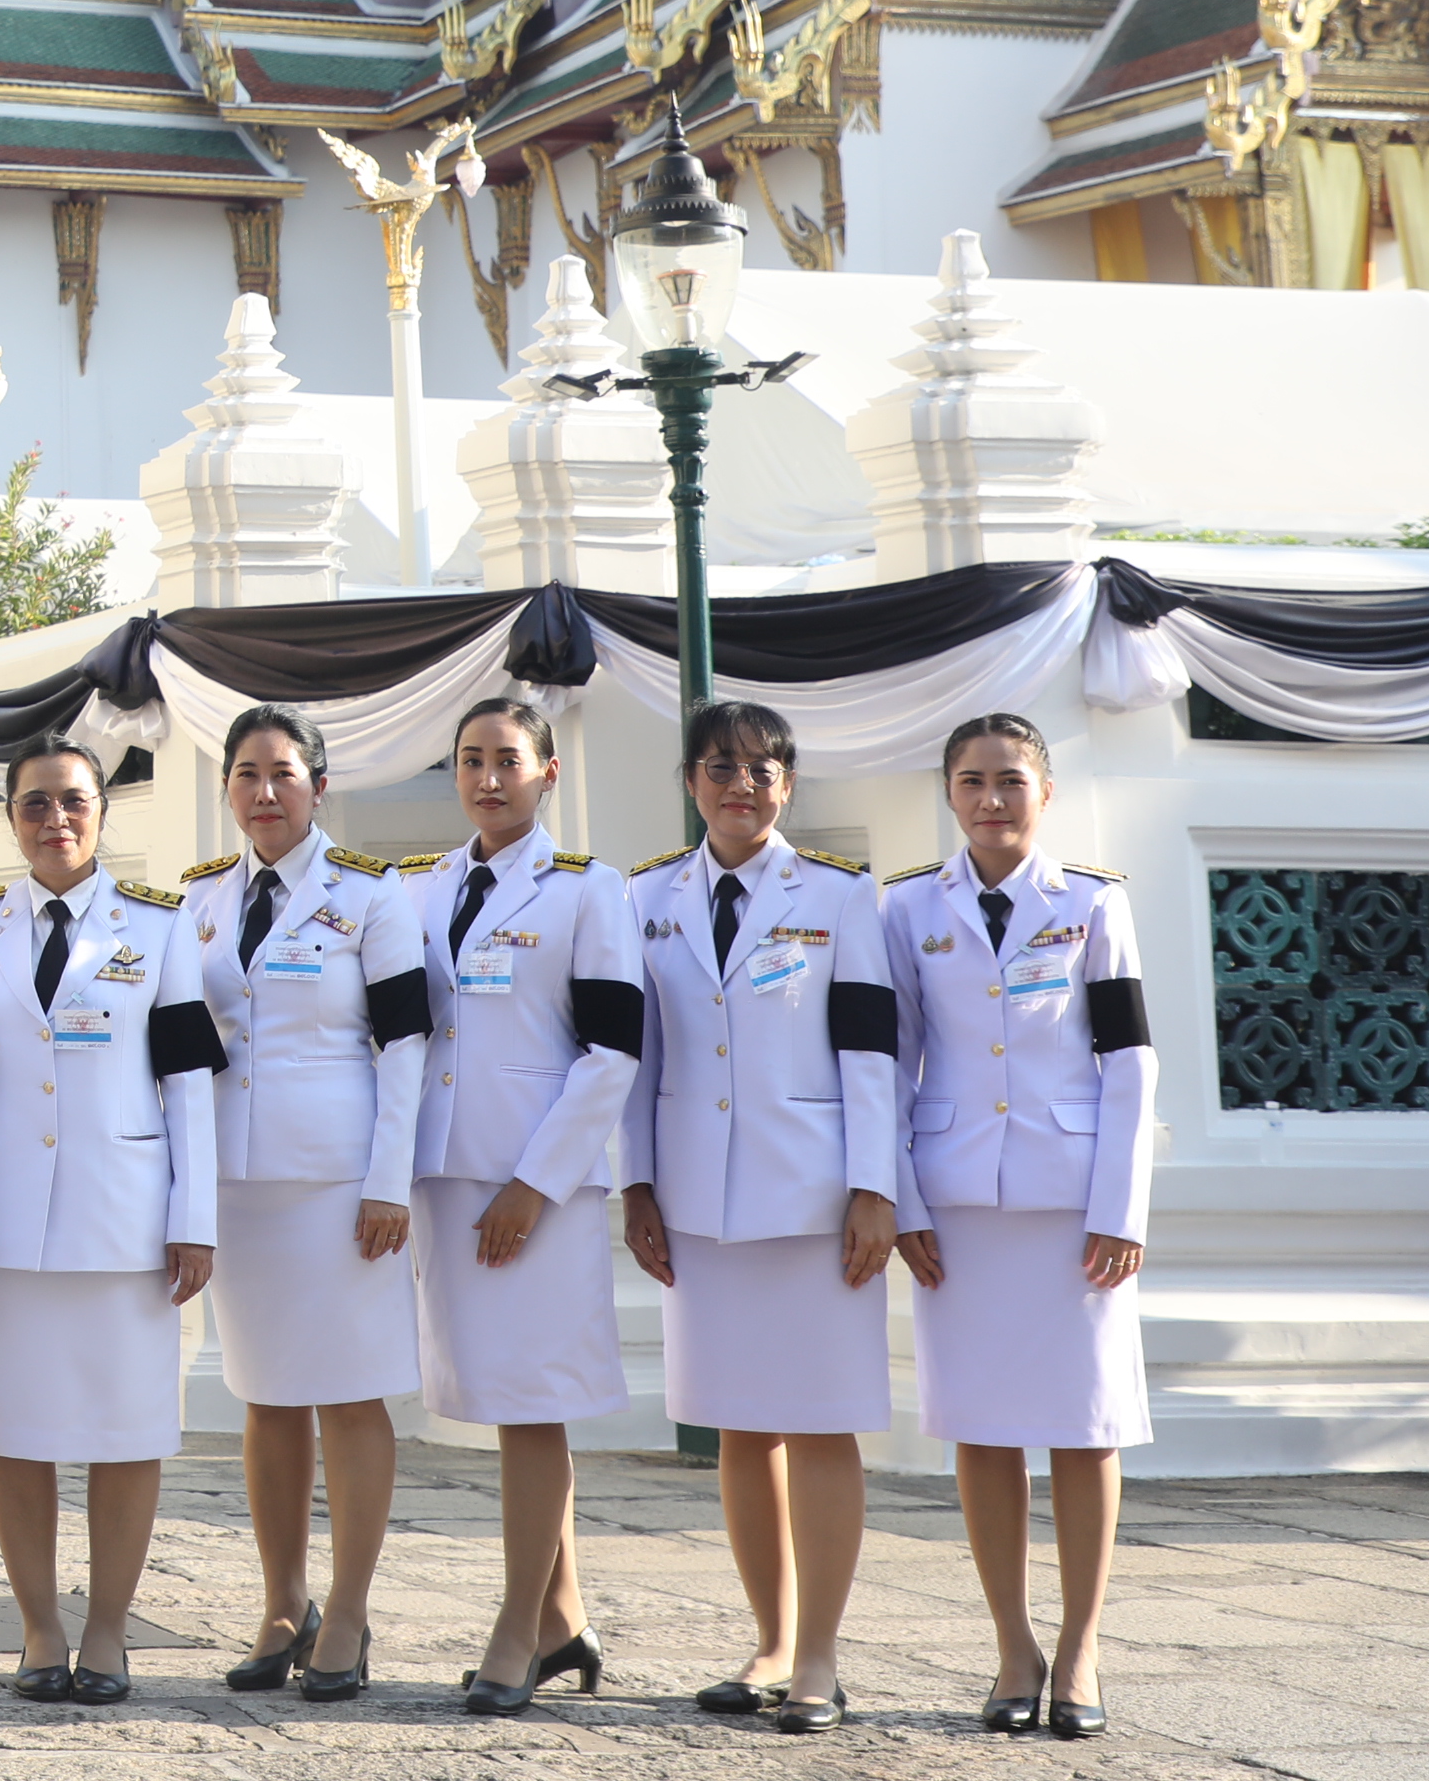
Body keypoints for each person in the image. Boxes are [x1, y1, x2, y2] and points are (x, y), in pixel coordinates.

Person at [619, 700, 899, 1737]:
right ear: (692, 781)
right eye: (720, 767)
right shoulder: (645, 896)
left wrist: (876, 1186)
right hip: (698, 1200)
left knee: (820, 1425)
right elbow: (639, 1059)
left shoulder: (838, 894)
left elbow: (871, 1047)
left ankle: (820, 1655)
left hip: (813, 1197)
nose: (741, 785)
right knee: (739, 1426)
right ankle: (770, 1639)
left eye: (762, 768)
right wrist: (635, 1183)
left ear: (788, 783)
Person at [882, 712, 1152, 1741]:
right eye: (971, 781)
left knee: (1086, 1429)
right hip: (956, 1207)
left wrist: (1121, 1206)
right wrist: (903, 1201)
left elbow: (1129, 1058)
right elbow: (889, 1067)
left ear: (1045, 791)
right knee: (984, 1432)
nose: (991, 799)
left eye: (1010, 780)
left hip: (1074, 1204)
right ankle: (1012, 1644)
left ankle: (1080, 1644)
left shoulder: (1092, 902)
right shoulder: (907, 908)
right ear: (948, 793)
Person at [0, 739, 212, 1707]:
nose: (55, 820)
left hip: (123, 1216)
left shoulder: (160, 927)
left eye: (73, 802)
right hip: (2, 1217)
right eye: (34, 805)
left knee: (126, 1428)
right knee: (13, 1429)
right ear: (9, 817)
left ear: (102, 812)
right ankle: (39, 1629)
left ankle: (106, 1632)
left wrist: (197, 1215)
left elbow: (187, 1080)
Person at [176, 705, 426, 1705]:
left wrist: (388, 1181)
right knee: (266, 1394)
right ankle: (283, 1605)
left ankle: (351, 1610)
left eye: (284, 773)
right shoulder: (197, 901)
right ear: (228, 790)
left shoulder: (372, 896)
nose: (265, 792)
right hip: (240, 1186)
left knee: (349, 1392)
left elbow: (407, 1044)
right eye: (246, 774)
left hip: (337, 1183)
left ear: (320, 787)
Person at [402, 696, 637, 1718]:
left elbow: (613, 1050)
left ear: (548, 774)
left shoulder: (589, 891)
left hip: (535, 1188)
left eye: (508, 760)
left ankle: (514, 1626)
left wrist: (535, 1185)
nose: (488, 778)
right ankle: (563, 1619)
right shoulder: (420, 890)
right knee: (502, 1404)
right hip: (448, 1177)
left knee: (533, 1406)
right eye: (470, 761)